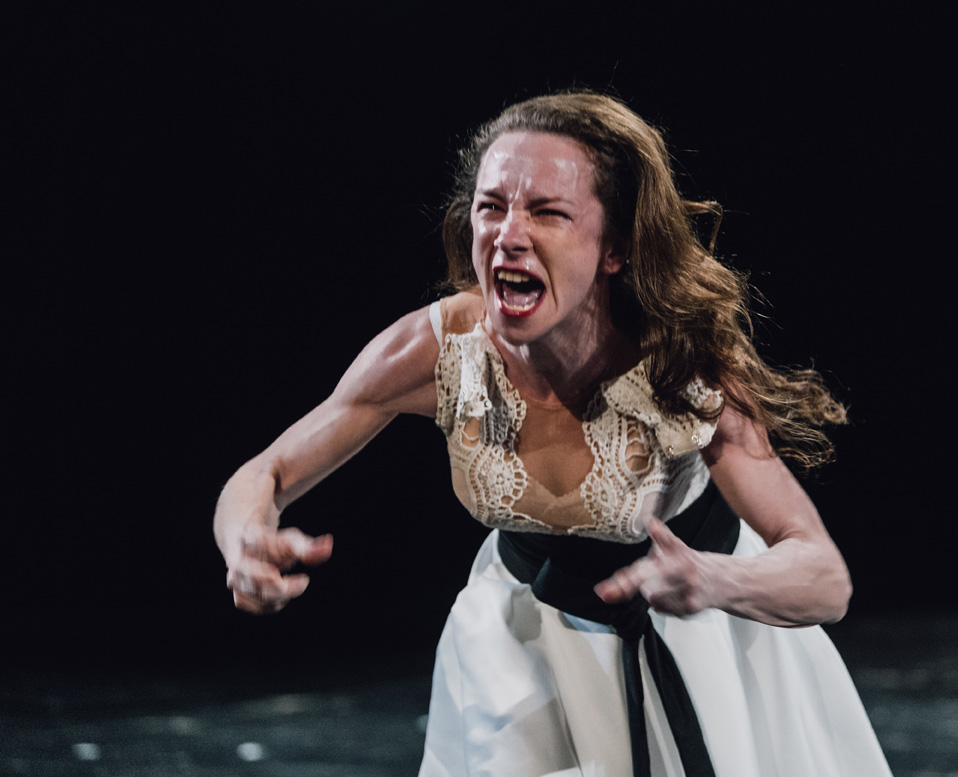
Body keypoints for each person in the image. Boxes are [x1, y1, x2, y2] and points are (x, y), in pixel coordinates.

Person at [214, 91, 892, 777]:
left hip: (696, 629)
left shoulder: (681, 368)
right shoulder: (439, 351)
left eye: (548, 212)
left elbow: (824, 578)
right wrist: (244, 541)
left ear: (615, 248)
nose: (509, 233)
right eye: (491, 206)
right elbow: (265, 474)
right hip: (519, 638)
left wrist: (713, 579)